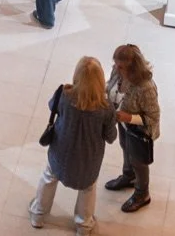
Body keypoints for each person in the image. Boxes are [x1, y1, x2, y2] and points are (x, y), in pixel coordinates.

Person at [28, 56, 117, 233]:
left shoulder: (64, 94)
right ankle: (83, 225)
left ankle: (38, 214)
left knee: (49, 177)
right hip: (89, 160)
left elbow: (52, 106)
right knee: (87, 189)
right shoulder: (106, 108)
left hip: (61, 152)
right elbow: (110, 137)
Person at [104, 44, 161, 214]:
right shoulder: (118, 71)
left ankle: (142, 193)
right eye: (115, 64)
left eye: (120, 66)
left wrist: (129, 118)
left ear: (132, 67)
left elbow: (153, 117)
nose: (115, 68)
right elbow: (111, 87)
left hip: (140, 131)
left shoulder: (146, 87)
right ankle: (129, 176)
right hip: (124, 125)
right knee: (125, 147)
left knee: (139, 161)